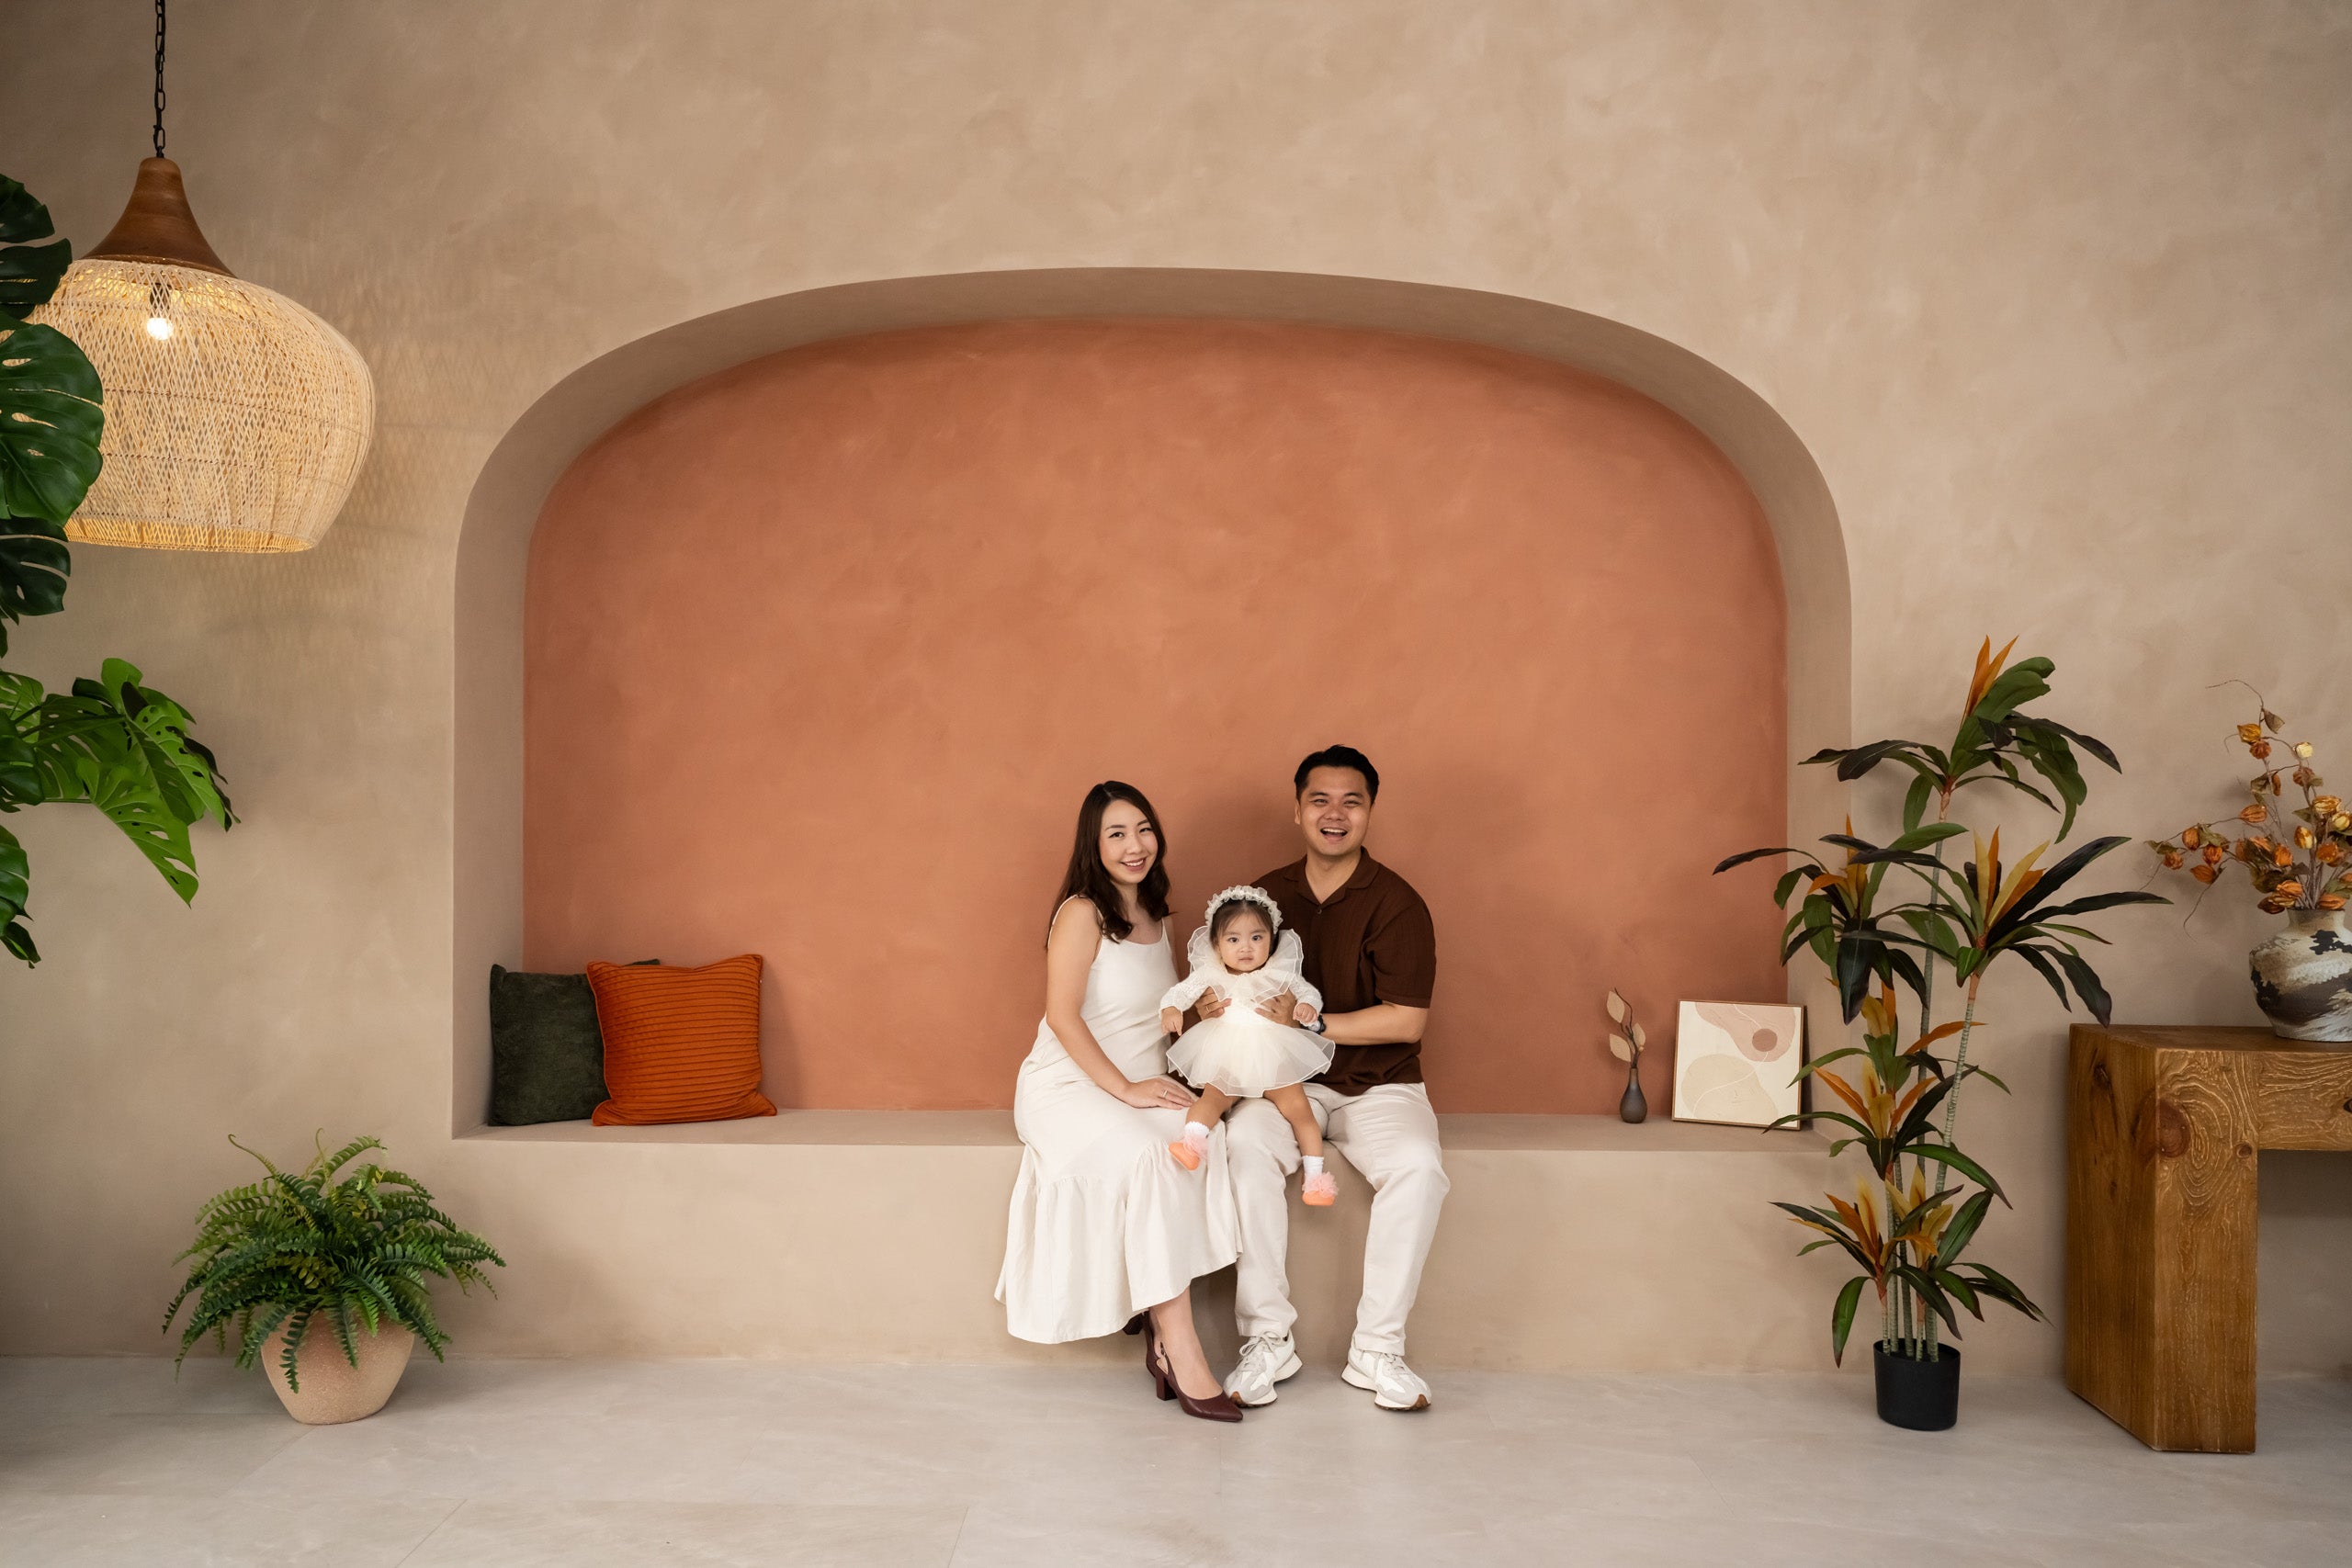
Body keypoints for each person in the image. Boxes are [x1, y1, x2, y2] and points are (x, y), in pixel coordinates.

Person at [996, 781, 1244, 1422]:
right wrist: (1127, 1090)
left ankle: (1151, 1302)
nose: (1135, 846)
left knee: (1204, 1138)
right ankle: (1176, 1346)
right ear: (1094, 845)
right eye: (1116, 834)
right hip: (1067, 1086)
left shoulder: (1160, 918)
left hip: (1135, 1083)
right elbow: (1062, 1015)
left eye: (1143, 829)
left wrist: (1211, 1017)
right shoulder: (1082, 912)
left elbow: (1155, 1018)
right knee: (1149, 1158)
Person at [1216, 746, 1449, 1413]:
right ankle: (1268, 1339)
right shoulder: (1263, 897)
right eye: (1320, 799)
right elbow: (1223, 981)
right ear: (1297, 810)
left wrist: (1313, 1024)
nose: (1335, 813)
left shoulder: (1399, 903)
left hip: (1380, 1085)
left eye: (1352, 801)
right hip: (1282, 1083)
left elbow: (1406, 1020)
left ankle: (1377, 1349)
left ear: (1370, 812)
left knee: (1418, 1168)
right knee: (1244, 1146)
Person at [1157, 886, 1338, 1205]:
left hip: (1273, 1056)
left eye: (1257, 938)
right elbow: (1179, 993)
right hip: (1229, 1055)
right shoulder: (1210, 974)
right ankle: (1191, 1143)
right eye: (1233, 939)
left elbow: (1308, 992)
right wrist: (1171, 1010)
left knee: (1300, 1110)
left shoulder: (1279, 973)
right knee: (1213, 1097)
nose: (1246, 947)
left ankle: (1315, 1180)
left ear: (1271, 940)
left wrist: (1307, 1007)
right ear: (1216, 944)